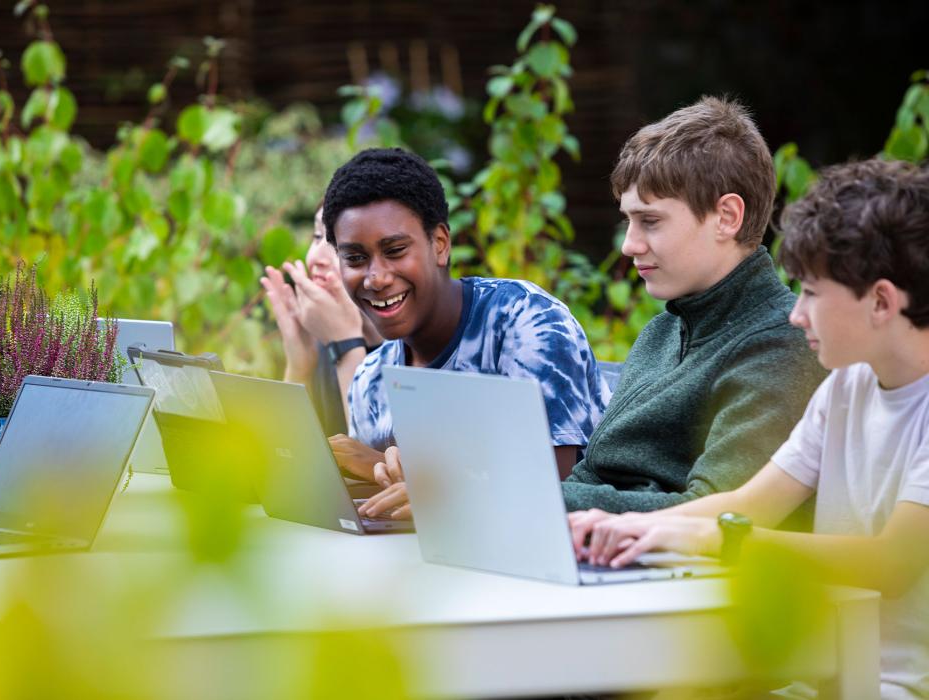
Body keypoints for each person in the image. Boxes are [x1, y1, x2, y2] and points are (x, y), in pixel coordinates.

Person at [569, 158, 929, 699]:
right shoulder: (845, 387)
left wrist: (715, 540)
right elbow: (751, 503)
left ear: (880, 301)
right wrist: (636, 528)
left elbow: (891, 562)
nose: (796, 314)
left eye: (811, 292)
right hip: (819, 673)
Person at [561, 96, 827, 513]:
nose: (629, 245)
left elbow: (713, 514)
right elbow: (591, 475)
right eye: (627, 220)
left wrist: (536, 500)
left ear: (726, 217)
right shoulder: (663, 331)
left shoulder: (784, 347)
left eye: (650, 221)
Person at [319, 147, 609, 518]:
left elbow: (557, 490)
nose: (376, 278)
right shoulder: (372, 379)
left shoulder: (523, 320)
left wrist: (392, 469)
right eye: (355, 259)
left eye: (394, 250)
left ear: (440, 244)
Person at [260, 205, 382, 437]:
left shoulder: (414, 356)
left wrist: (347, 344)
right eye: (318, 236)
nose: (315, 257)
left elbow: (373, 465)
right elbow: (284, 455)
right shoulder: (325, 345)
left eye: (340, 245)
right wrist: (300, 366)